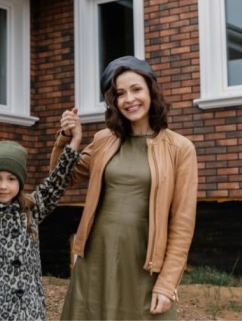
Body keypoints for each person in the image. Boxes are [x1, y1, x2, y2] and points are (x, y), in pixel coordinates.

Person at [55, 55, 198, 320]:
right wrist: (68, 140)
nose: (130, 99)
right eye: (120, 94)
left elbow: (182, 225)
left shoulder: (180, 148)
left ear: (150, 91)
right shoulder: (103, 140)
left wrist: (167, 284)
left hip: (145, 262)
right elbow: (61, 180)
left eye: (136, 89)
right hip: (96, 257)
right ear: (114, 102)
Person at [0, 109, 82, 320]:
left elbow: (57, 181)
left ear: (20, 182)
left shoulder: (30, 209)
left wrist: (74, 141)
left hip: (28, 312)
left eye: (11, 179)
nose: (3, 186)